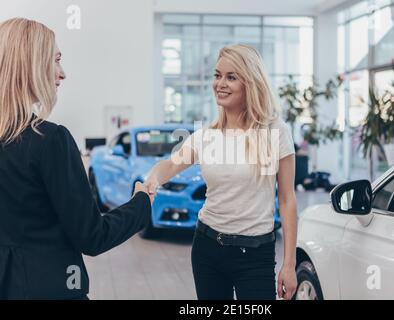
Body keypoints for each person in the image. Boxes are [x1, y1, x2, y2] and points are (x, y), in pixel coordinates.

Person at [0, 18, 152, 299]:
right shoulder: (50, 140)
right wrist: (142, 203)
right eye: (56, 60)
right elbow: (92, 236)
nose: (62, 73)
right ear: (31, 65)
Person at [145, 44, 298, 300]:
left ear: (250, 83)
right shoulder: (207, 136)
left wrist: (290, 264)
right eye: (217, 75)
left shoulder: (276, 132)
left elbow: (287, 199)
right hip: (207, 248)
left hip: (256, 253)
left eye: (231, 77)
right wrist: (152, 180)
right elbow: (170, 165)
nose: (220, 83)